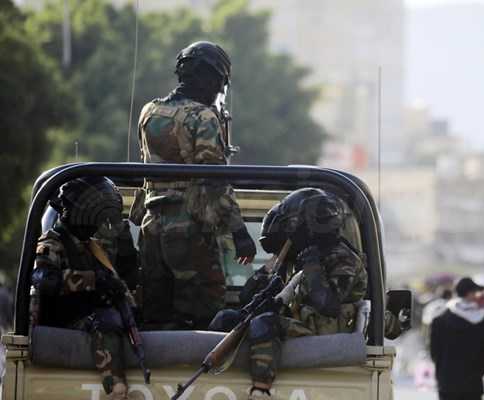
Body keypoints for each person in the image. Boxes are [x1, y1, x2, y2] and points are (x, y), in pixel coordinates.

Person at [137, 41, 256, 329]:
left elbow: (146, 168)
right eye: (219, 82)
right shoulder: (203, 117)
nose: (219, 90)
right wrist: (239, 232)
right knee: (203, 317)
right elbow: (215, 180)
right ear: (208, 78)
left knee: (155, 314)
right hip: (190, 230)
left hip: (151, 228)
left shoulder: (149, 111)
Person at [210, 188, 368, 399]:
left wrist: (312, 267)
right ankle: (211, 377)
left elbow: (328, 305)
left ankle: (260, 389)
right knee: (226, 319)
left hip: (326, 330)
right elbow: (247, 296)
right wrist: (268, 279)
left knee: (265, 324)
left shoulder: (343, 258)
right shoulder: (299, 259)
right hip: (303, 322)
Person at [31, 177, 132, 399]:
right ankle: (116, 387)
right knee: (106, 321)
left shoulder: (91, 247)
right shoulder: (52, 242)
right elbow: (43, 280)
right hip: (62, 317)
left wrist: (112, 287)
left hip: (85, 311)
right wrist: (93, 280)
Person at [430, 277, 484, 400]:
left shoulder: (440, 318)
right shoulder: (483, 319)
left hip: (447, 382)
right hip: (473, 383)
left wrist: (443, 371)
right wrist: (478, 372)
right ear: (470, 293)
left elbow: (434, 352)